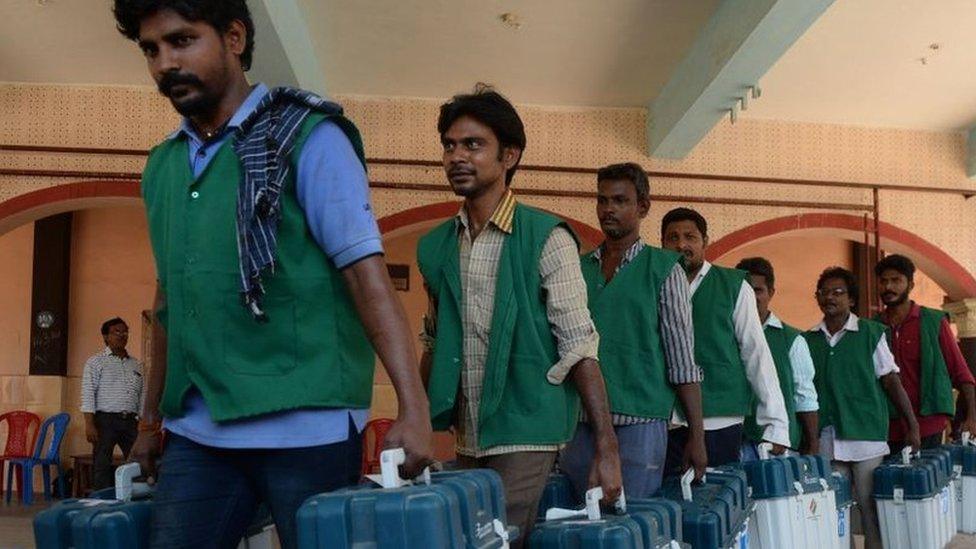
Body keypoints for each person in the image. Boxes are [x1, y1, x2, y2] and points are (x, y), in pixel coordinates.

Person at [112, 1, 433, 547]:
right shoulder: (163, 165)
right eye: (151, 49)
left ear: (234, 37)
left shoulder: (310, 138)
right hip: (198, 430)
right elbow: (170, 298)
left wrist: (413, 407)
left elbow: (365, 276)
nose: (165, 62)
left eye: (182, 40)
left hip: (307, 425)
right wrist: (148, 423)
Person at [418, 85, 622, 546]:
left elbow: (580, 345)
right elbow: (434, 340)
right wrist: (417, 418)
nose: (456, 156)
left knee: (499, 540)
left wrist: (607, 448)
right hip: (467, 433)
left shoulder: (547, 237)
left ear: (509, 155)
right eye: (449, 145)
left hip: (528, 428)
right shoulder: (435, 247)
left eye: (473, 144)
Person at [559, 163, 705, 499]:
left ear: (643, 207)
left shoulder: (665, 269)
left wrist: (697, 436)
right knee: (576, 528)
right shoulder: (578, 269)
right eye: (602, 200)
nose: (608, 209)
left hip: (640, 422)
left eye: (620, 200)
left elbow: (682, 362)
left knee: (632, 525)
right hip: (579, 421)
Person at [660, 207, 789, 473]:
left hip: (719, 417)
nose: (681, 244)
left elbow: (755, 352)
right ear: (662, 243)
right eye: (672, 237)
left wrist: (775, 423)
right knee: (669, 505)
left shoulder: (732, 285)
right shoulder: (654, 283)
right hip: (664, 418)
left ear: (705, 241)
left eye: (690, 237)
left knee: (716, 502)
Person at [805, 267, 919, 549]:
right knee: (836, 509)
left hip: (865, 434)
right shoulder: (808, 340)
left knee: (870, 508)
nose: (830, 297)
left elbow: (891, 381)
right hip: (828, 437)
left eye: (838, 292)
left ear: (852, 300)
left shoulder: (871, 334)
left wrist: (912, 425)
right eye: (824, 292)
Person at [875, 254, 976, 453]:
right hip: (886, 425)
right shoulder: (873, 327)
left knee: (926, 480)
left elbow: (961, 373)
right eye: (883, 281)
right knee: (889, 482)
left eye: (896, 280)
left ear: (910, 285)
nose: (888, 287)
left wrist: (972, 418)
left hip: (929, 423)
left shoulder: (933, 321)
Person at [734, 258, 819, 459]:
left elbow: (804, 397)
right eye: (744, 290)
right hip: (733, 440)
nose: (751, 297)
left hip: (777, 446)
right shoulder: (725, 336)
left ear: (771, 293)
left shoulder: (792, 340)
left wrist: (813, 446)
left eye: (758, 290)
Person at [81, 317, 144, 490]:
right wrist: (89, 424)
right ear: (105, 336)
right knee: (102, 464)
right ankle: (102, 502)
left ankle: (136, 500)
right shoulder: (95, 362)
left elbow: (142, 396)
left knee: (138, 461)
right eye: (117, 331)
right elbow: (88, 393)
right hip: (105, 421)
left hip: (131, 421)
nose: (122, 335)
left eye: (125, 331)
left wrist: (144, 424)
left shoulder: (137, 364)